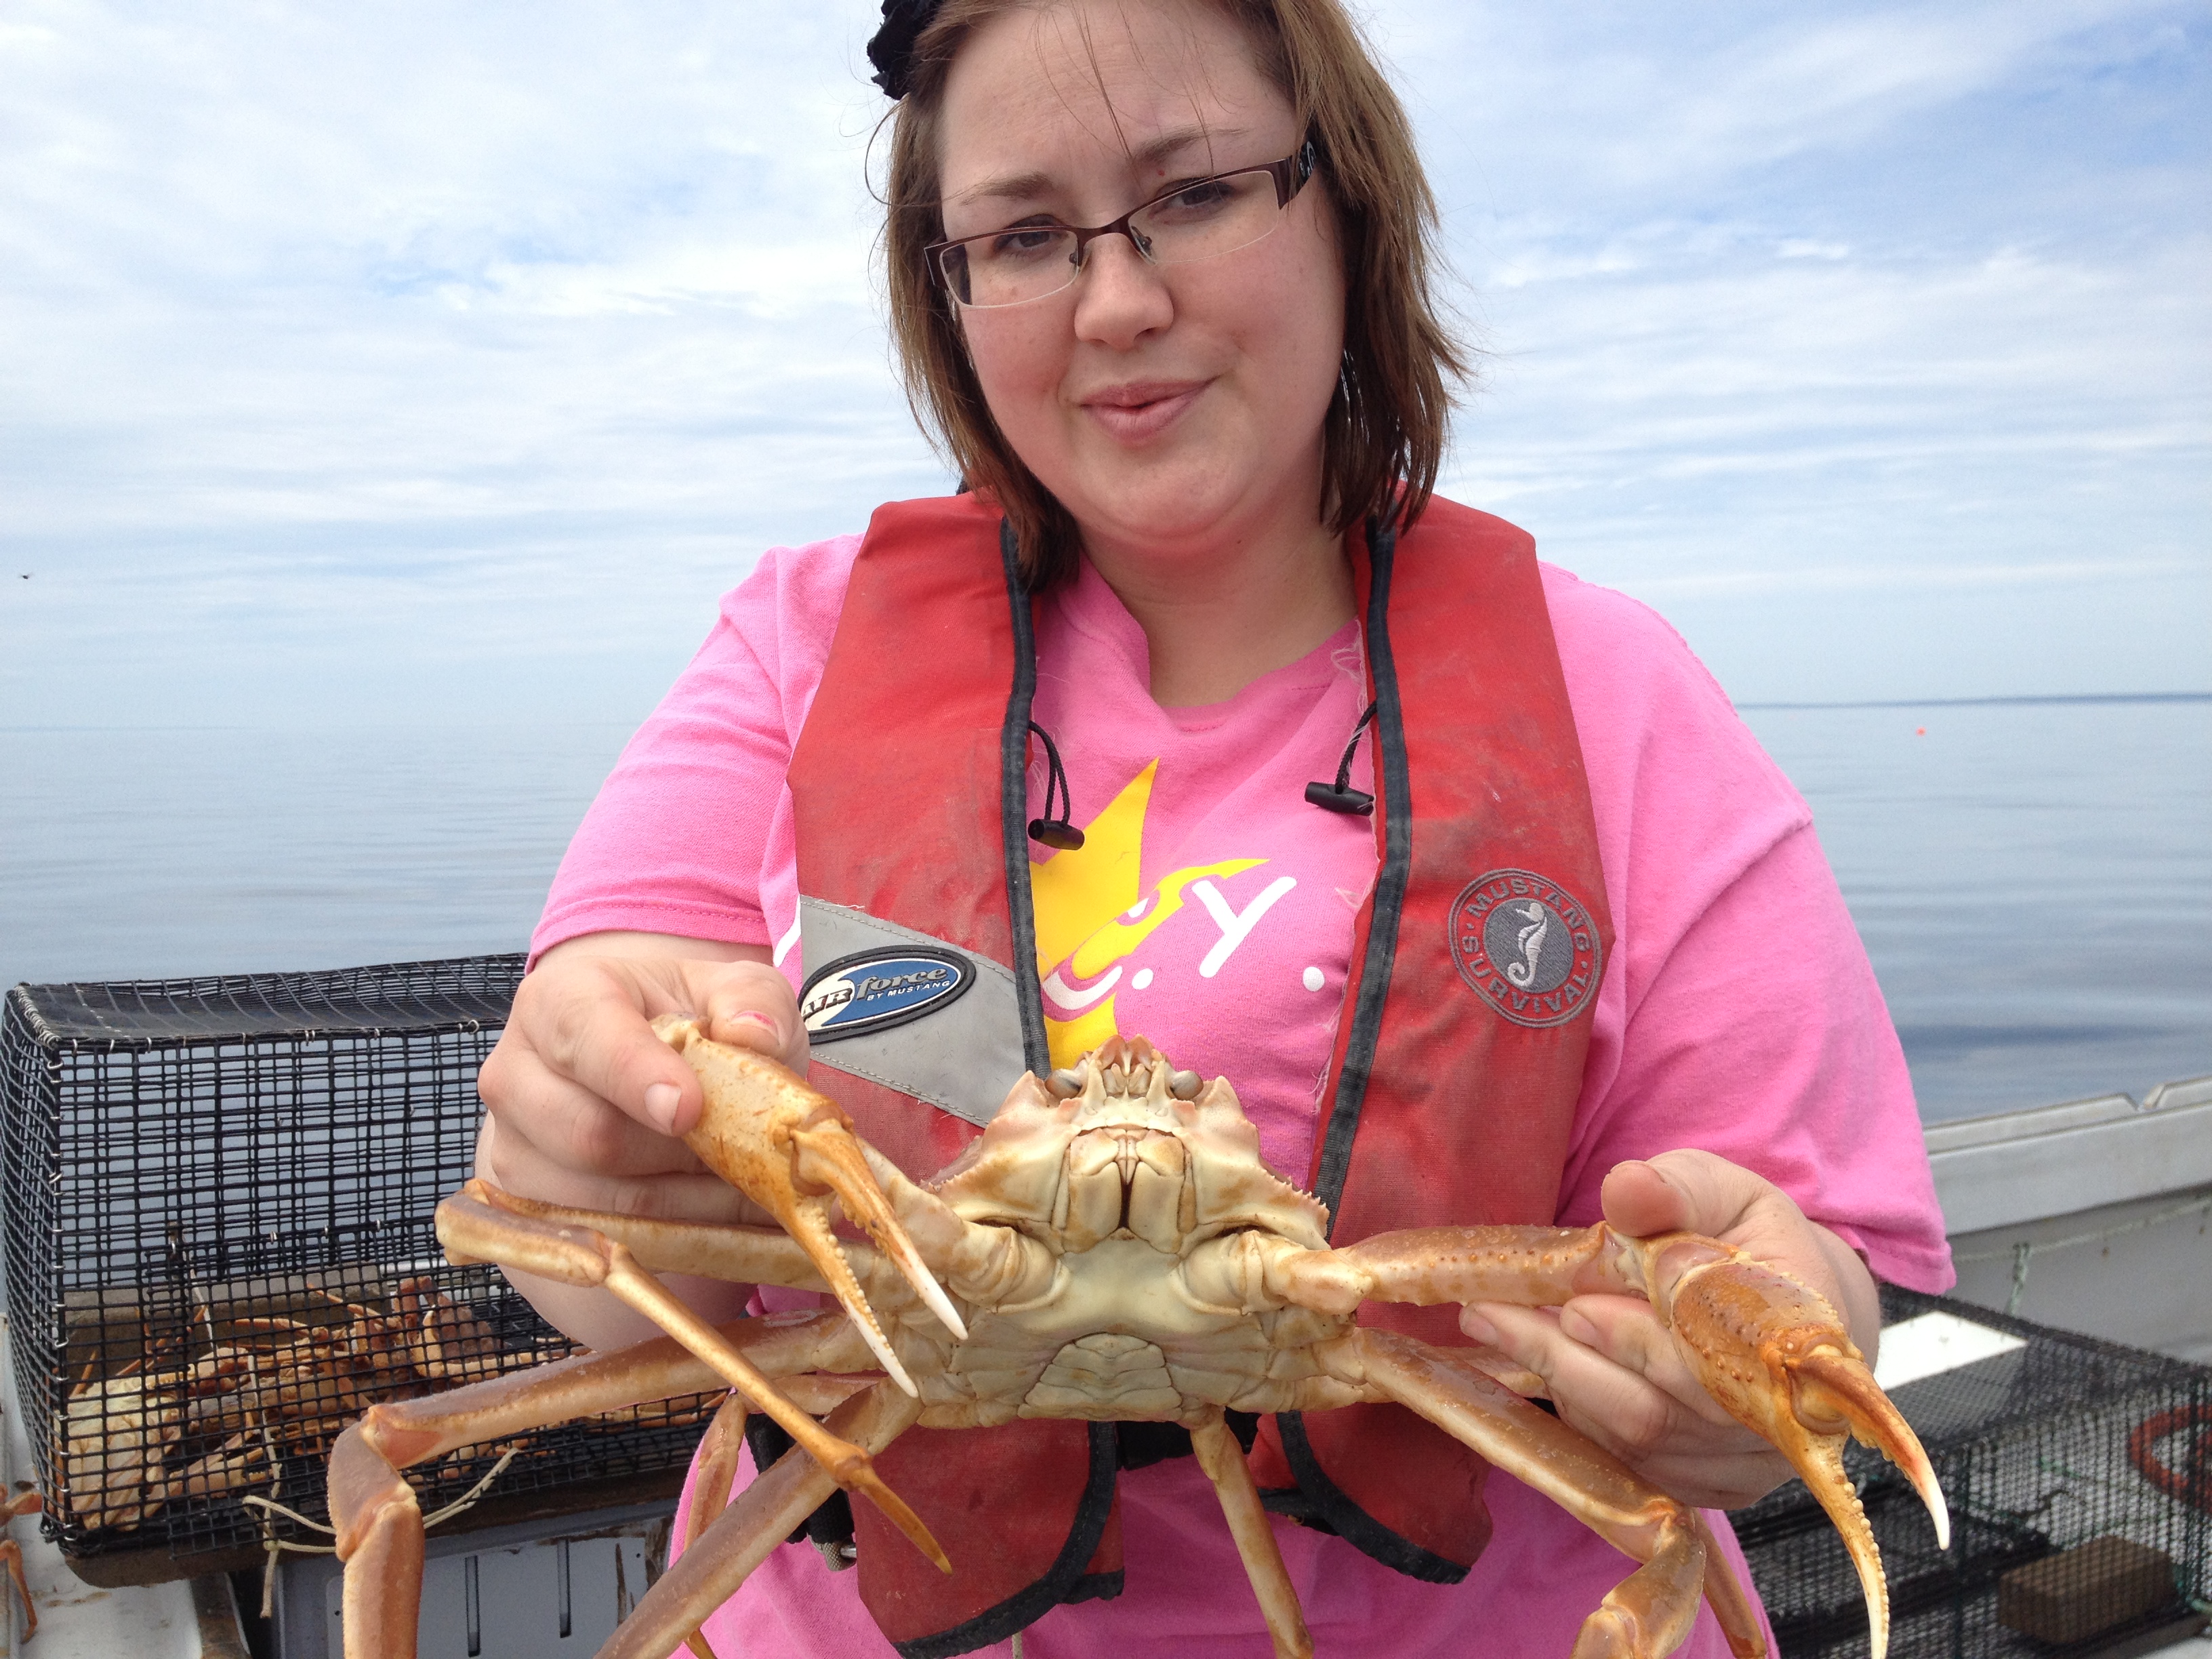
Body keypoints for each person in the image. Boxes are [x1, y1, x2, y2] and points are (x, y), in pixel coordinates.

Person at [474, 0, 1954, 1653]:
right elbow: (593, 1228)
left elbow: (1809, 1253)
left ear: (1348, 204)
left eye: (1195, 194)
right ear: (944, 286)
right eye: (1024, 234)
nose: (1120, 300)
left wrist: (1766, 1348)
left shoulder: (1613, 693)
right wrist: (586, 1146)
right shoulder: (794, 655)